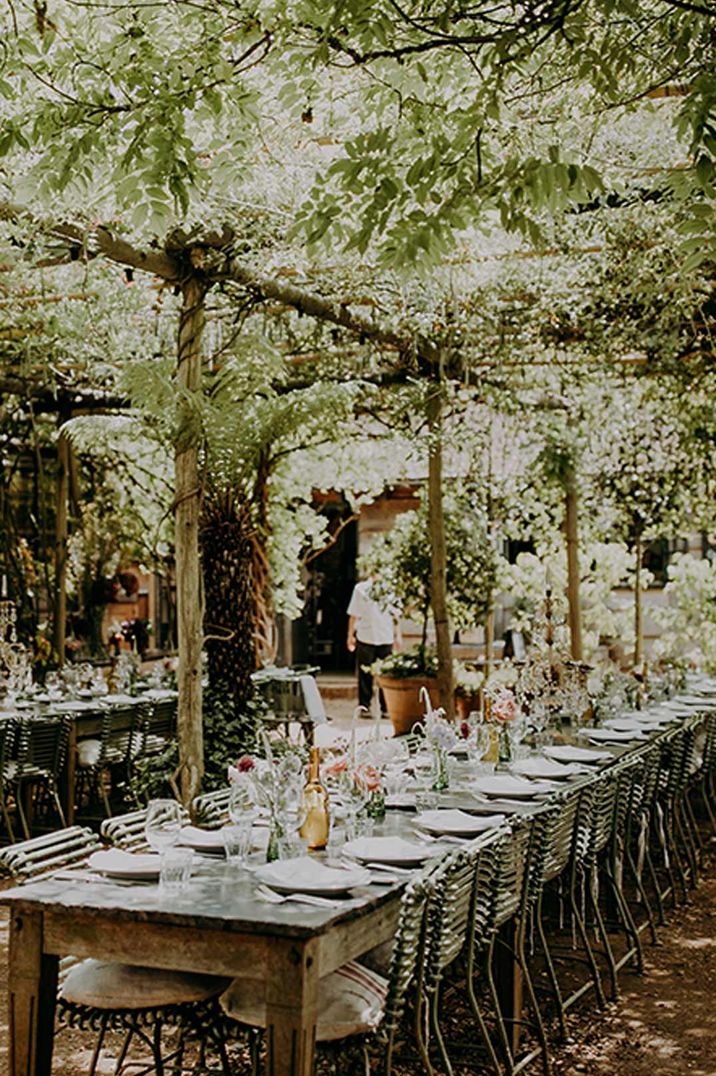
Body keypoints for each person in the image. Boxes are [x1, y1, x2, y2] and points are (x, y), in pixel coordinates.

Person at [346, 576, 401, 716]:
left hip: (386, 636)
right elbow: (353, 614)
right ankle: (364, 707)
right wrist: (350, 636)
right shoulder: (360, 589)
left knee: (386, 674)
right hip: (365, 635)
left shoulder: (391, 589)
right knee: (365, 674)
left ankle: (386, 708)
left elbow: (396, 616)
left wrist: (398, 635)